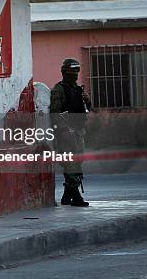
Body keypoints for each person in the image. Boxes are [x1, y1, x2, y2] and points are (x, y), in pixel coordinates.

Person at [50, 58, 91, 207]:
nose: (74, 75)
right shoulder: (58, 90)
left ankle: (67, 196)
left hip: (79, 131)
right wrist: (63, 131)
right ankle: (76, 196)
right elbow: (54, 114)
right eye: (71, 72)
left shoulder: (77, 89)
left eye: (76, 72)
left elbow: (86, 109)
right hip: (65, 133)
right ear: (64, 72)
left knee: (77, 161)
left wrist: (87, 100)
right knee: (71, 163)